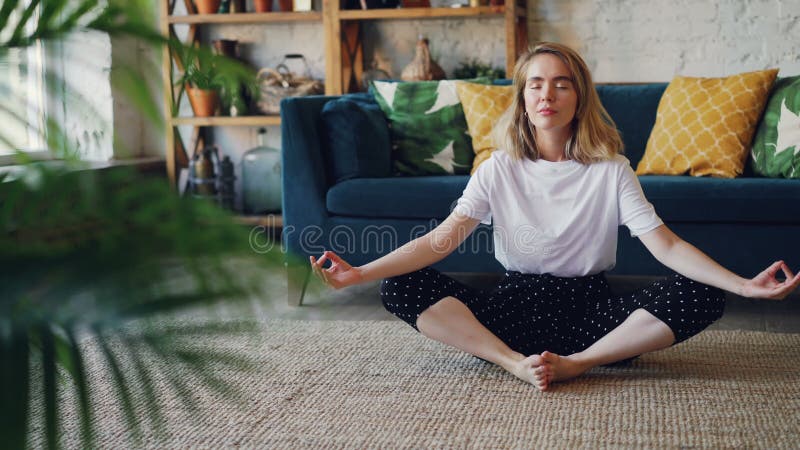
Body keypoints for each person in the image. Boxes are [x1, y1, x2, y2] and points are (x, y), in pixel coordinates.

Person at [309, 42, 800, 391]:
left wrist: (742, 285)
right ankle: (511, 363)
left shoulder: (611, 170)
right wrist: (361, 274)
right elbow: (442, 240)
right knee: (399, 285)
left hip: (594, 321)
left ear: (578, 98)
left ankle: (577, 365)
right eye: (536, 85)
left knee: (704, 292)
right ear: (522, 98)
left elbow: (666, 245)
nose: (547, 95)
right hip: (508, 316)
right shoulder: (496, 168)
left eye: (562, 86)